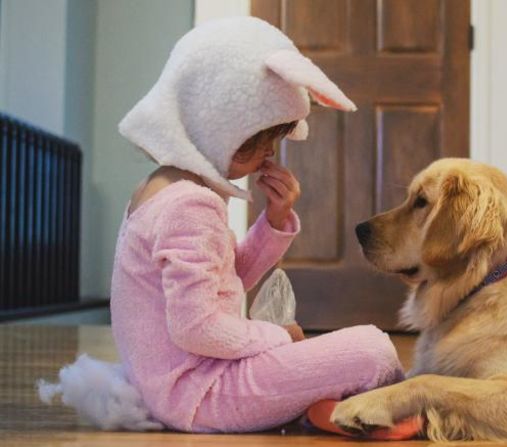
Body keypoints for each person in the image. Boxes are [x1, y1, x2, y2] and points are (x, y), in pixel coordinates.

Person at [110, 17, 403, 432]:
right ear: (215, 120)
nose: (268, 152)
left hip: (175, 386)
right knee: (372, 349)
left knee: (338, 354)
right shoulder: (189, 206)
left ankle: (328, 406)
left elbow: (223, 281)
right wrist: (278, 336)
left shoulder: (160, 188)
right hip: (200, 393)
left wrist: (275, 220)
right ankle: (373, 410)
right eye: (257, 138)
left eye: (274, 140)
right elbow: (197, 328)